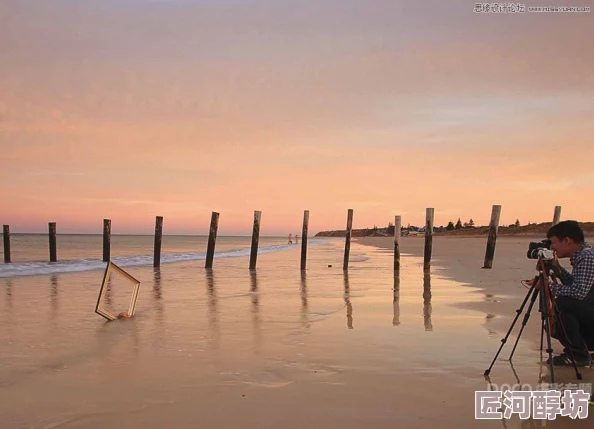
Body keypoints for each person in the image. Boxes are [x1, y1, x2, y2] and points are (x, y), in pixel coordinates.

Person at [529, 220, 594, 366]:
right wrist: (557, 269)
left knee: (562, 304)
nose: (552, 248)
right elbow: (575, 285)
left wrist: (548, 286)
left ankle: (578, 355)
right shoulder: (584, 255)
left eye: (553, 243)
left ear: (567, 240)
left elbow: (578, 293)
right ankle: (580, 351)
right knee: (554, 321)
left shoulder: (587, 257)